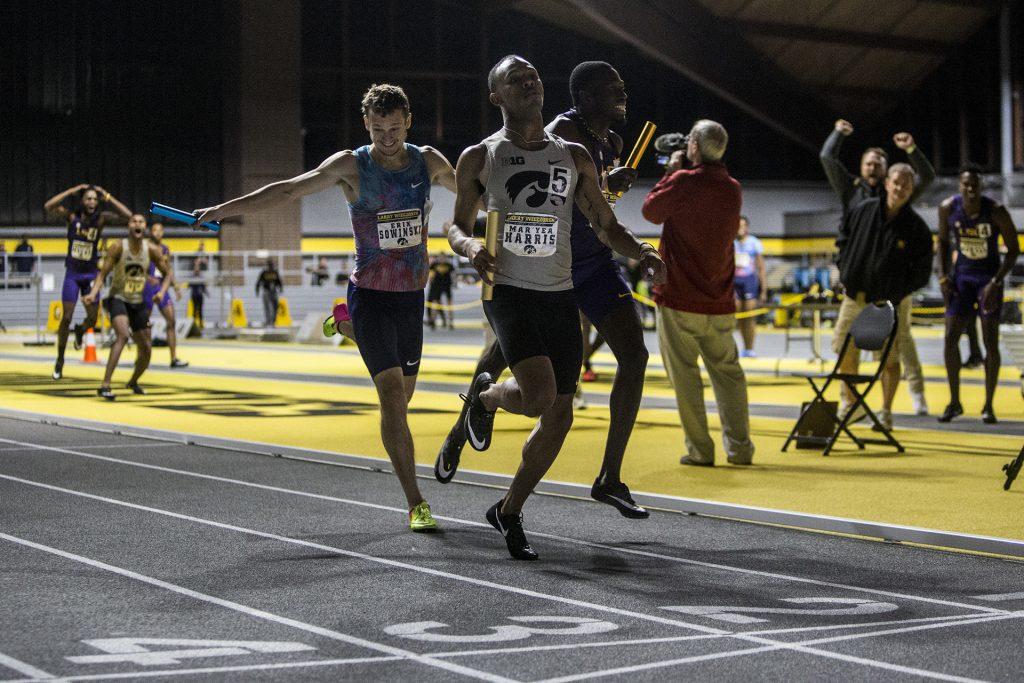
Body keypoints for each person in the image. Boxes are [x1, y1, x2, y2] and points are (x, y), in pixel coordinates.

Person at [194, 83, 457, 532]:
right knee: (393, 399)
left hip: (412, 298)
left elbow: (475, 187)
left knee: (404, 396)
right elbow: (288, 190)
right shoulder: (351, 165)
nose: (387, 138)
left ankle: (345, 327)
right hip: (370, 294)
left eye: (395, 129)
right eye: (378, 130)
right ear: (366, 125)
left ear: (408, 122)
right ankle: (416, 502)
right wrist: (226, 208)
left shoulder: (427, 160)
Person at [446, 55, 665, 560]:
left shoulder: (574, 157)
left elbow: (607, 226)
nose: (529, 82)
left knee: (559, 417)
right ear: (496, 96)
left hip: (559, 291)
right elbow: (455, 225)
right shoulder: (480, 157)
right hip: (509, 292)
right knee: (541, 396)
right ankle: (488, 398)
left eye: (534, 76)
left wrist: (645, 253)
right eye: (515, 79)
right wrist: (470, 247)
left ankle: (509, 510)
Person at [643, 119, 755, 468]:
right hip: (720, 300)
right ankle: (740, 449)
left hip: (678, 297)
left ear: (693, 145)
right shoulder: (733, 188)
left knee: (686, 378)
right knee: (730, 376)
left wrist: (671, 172)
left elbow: (651, 211)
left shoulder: (683, 181)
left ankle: (700, 450)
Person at [820, 119, 934, 416]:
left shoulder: (904, 200)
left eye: (878, 164)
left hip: (892, 290)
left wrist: (910, 149)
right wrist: (838, 134)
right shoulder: (852, 193)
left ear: (888, 174)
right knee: (844, 345)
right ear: (862, 167)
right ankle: (851, 402)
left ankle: (915, 391)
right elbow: (827, 158)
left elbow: (927, 176)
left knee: (901, 344)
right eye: (868, 163)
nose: (873, 167)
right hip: (858, 283)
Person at [937, 165, 1019, 424]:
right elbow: (943, 243)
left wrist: (996, 282)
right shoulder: (948, 208)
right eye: (966, 185)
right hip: (961, 278)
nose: (971, 189)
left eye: (975, 185)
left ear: (981, 187)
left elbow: (1014, 250)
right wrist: (943, 276)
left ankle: (988, 405)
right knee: (950, 337)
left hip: (988, 279)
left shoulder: (996, 210)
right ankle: (954, 402)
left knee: (989, 342)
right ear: (959, 186)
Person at [43, 184, 132, 380]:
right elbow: (48, 206)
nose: (91, 201)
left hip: (91, 275)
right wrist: (72, 190)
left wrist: (106, 195)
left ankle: (81, 330)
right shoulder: (72, 217)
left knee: (92, 319)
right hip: (73, 274)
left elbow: (128, 216)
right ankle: (60, 359)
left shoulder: (101, 219)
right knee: (66, 317)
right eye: (88, 198)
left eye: (94, 199)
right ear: (82, 201)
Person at [82, 214, 171, 400]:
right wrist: (92, 294)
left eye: (141, 222)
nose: (137, 224)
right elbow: (102, 273)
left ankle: (133, 381)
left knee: (146, 348)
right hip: (118, 298)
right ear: (128, 226)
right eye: (134, 221)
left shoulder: (152, 249)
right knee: (123, 335)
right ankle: (105, 384)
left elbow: (168, 274)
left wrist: (162, 291)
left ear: (144, 227)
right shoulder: (118, 247)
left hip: (138, 302)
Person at [144, 222, 188, 368]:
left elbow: (168, 269)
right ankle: (144, 356)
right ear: (151, 232)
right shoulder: (145, 247)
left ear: (162, 233)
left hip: (162, 287)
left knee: (171, 321)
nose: (157, 233)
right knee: (144, 323)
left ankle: (173, 358)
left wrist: (175, 286)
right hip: (148, 287)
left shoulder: (165, 249)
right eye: (154, 230)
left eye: (160, 230)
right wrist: (145, 278)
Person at [734, 215, 766, 357]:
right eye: (738, 226)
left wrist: (763, 290)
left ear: (747, 227)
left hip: (749, 281)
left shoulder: (754, 243)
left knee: (749, 316)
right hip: (734, 281)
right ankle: (739, 348)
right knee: (738, 316)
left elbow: (761, 268)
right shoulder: (730, 242)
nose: (740, 229)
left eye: (743, 226)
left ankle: (749, 348)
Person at [426, 252, 455, 329]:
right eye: (441, 257)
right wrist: (430, 281)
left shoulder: (449, 265)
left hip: (446, 285)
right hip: (437, 286)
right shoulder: (434, 265)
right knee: (435, 304)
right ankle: (433, 321)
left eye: (443, 257)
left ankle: (450, 321)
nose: (442, 259)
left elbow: (453, 275)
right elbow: (431, 275)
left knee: (449, 303)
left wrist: (454, 283)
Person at [255, 259, 283, 327]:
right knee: (267, 307)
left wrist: (281, 288)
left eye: (271, 265)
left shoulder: (275, 272)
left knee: (276, 306)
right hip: (266, 291)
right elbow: (258, 282)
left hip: (274, 291)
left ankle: (273, 321)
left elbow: (279, 281)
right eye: (269, 265)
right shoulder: (264, 272)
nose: (270, 267)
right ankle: (268, 321)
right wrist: (257, 290)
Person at [188, 259, 208, 330]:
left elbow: (203, 286)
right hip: (194, 295)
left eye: (198, 268)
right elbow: (189, 285)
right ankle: (193, 324)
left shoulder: (201, 276)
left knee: (200, 310)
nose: (197, 269)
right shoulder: (192, 276)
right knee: (194, 311)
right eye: (195, 268)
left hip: (200, 296)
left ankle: (200, 323)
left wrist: (206, 293)